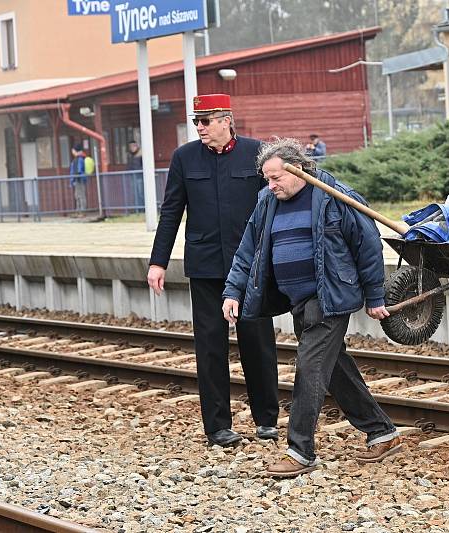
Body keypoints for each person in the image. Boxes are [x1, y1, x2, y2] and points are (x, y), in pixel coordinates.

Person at [222, 138, 402, 478]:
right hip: (298, 300)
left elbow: (367, 245)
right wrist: (233, 291)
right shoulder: (267, 202)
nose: (271, 185)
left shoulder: (335, 196)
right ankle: (382, 431)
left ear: (299, 169)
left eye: (276, 178)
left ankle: (300, 450)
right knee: (332, 367)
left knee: (310, 365)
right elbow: (249, 250)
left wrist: (375, 295)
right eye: (267, 179)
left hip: (331, 296)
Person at [148, 94, 280, 448]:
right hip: (206, 268)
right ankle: (218, 426)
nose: (200, 128)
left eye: (206, 121)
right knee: (210, 347)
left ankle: (266, 419)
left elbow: (274, 206)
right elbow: (171, 211)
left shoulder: (258, 154)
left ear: (227, 120)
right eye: (197, 122)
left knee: (258, 344)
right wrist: (158, 261)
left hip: (250, 268)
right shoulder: (184, 158)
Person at [69, 145, 87, 214]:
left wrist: (72, 180)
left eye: (73, 150)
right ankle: (79, 210)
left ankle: (82, 211)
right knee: (77, 195)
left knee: (80, 195)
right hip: (77, 179)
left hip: (79, 179)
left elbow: (78, 170)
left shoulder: (79, 159)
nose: (72, 152)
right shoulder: (79, 159)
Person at [126, 140, 143, 211]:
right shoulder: (129, 155)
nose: (132, 148)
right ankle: (137, 208)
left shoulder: (141, 154)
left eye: (133, 146)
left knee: (140, 192)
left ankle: (142, 208)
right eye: (130, 146)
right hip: (132, 176)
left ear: (136, 146)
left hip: (139, 176)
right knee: (135, 193)